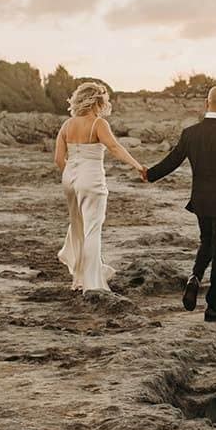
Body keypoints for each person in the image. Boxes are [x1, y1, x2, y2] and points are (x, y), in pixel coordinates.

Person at [142, 85, 216, 321]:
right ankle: (214, 308)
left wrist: (150, 174)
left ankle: (194, 277)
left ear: (207, 103)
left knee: (207, 242)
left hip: (201, 202)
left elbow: (172, 160)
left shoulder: (190, 133)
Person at [55, 82, 145, 292]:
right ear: (97, 101)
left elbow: (59, 159)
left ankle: (78, 279)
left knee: (78, 227)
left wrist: (72, 175)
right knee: (92, 230)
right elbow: (114, 147)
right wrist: (138, 166)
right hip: (91, 180)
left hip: (69, 180)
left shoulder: (67, 125)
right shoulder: (98, 124)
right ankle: (92, 283)